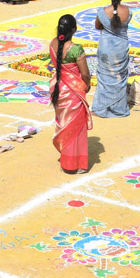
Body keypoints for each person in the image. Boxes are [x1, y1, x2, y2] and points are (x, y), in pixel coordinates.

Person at [47, 14, 92, 175]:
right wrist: (86, 85)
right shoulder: (75, 49)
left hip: (59, 88)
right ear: (74, 30)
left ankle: (66, 160)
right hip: (73, 91)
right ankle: (75, 164)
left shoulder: (53, 43)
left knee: (65, 125)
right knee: (75, 128)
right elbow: (85, 73)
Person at [90, 0, 131, 119]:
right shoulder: (128, 11)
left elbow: (97, 26)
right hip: (121, 48)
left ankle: (101, 108)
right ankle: (119, 108)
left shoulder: (102, 12)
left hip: (106, 48)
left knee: (104, 77)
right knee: (119, 76)